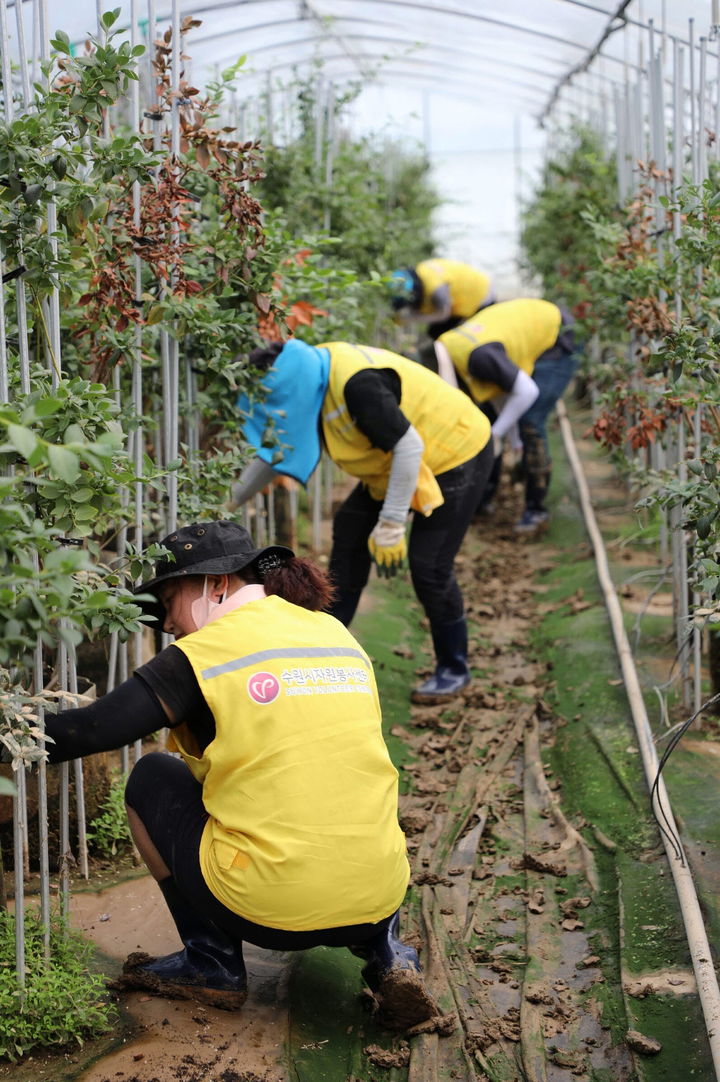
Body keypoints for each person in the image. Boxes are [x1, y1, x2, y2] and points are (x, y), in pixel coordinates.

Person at [41, 522, 436, 1028]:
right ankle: (388, 956)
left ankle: (212, 963)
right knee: (338, 783)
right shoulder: (332, 631)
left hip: (269, 908)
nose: (166, 624)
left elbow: (87, 731)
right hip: (382, 889)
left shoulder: (202, 656)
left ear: (216, 584)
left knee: (152, 778)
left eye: (168, 601)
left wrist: (15, 726)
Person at [231, 338, 494, 703]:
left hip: (456, 450)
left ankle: (454, 668)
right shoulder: (311, 375)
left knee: (429, 565)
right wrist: (228, 501)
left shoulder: (358, 385)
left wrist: (391, 524)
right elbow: (277, 451)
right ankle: (323, 646)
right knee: (350, 531)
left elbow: (409, 448)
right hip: (391, 466)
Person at [434, 298, 579, 536]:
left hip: (557, 336)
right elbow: (501, 393)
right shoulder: (451, 346)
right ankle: (486, 499)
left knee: (531, 420)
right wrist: (513, 440)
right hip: (530, 326)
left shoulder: (477, 357)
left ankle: (536, 510)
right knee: (503, 420)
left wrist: (496, 434)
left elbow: (526, 391)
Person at [389, 258, 495, 339]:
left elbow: (443, 314)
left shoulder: (436, 288)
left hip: (480, 297)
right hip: (465, 296)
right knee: (436, 333)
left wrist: (412, 318)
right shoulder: (423, 271)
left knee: (442, 335)